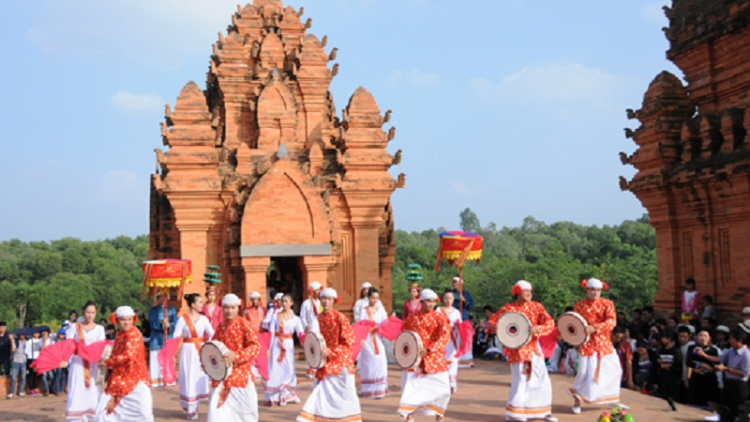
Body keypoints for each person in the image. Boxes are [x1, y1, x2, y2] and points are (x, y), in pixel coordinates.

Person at [486, 280, 558, 422]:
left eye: (530, 291)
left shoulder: (537, 307)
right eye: (525, 291)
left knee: (542, 378)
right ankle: (515, 412)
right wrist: (493, 327)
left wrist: (539, 329)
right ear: (517, 292)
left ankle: (542, 411)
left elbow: (550, 323)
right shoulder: (508, 308)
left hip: (534, 349)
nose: (528, 294)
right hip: (516, 350)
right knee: (520, 380)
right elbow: (492, 321)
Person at [297, 287, 362, 422]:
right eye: (323, 299)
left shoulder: (340, 318)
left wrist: (331, 351)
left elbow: (349, 342)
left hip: (342, 362)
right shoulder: (318, 318)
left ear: (334, 301)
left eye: (329, 299)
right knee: (320, 391)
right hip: (325, 362)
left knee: (347, 395)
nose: (326, 302)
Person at [566, 278, 624, 414]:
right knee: (584, 373)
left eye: (598, 290)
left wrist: (595, 327)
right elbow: (574, 323)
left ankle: (613, 399)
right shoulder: (580, 305)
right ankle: (577, 400)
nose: (595, 292)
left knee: (615, 370)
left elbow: (612, 321)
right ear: (587, 290)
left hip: (604, 343)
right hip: (587, 343)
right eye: (592, 290)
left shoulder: (607, 304)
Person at [397, 288, 452, 422]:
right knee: (410, 388)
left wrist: (430, 348)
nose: (431, 304)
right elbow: (404, 335)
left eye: (434, 302)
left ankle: (439, 416)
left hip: (435, 358)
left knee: (443, 389)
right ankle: (409, 417)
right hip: (415, 360)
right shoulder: (412, 318)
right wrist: (405, 352)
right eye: (428, 301)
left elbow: (445, 336)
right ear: (421, 301)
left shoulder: (440, 317)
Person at [206, 293, 261, 422]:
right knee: (216, 412)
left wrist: (236, 356)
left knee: (247, 410)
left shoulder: (245, 325)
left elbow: (255, 347)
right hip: (222, 374)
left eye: (232, 307)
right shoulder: (221, 327)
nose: (229, 310)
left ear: (238, 308)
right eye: (226, 307)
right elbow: (213, 346)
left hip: (240, 374)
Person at [94, 306, 153, 422]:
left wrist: (107, 362)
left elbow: (129, 355)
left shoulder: (134, 334)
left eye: (129, 319)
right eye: (123, 320)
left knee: (143, 412)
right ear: (117, 321)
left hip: (136, 378)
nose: (127, 323)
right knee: (108, 413)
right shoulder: (119, 334)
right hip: (119, 377)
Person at [172, 293, 214, 420]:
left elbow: (212, 333)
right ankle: (191, 408)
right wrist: (173, 353)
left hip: (201, 350)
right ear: (192, 304)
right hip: (188, 351)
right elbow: (176, 336)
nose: (202, 305)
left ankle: (196, 405)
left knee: (200, 376)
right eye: (200, 302)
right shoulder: (182, 319)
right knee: (188, 376)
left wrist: (209, 346)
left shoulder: (204, 319)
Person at [64, 301, 106, 421]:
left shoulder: (99, 329)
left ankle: (93, 414)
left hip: (93, 364)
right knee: (77, 387)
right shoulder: (75, 327)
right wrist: (65, 359)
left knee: (93, 388)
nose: (90, 315)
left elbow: (101, 346)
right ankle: (76, 416)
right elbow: (68, 345)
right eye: (88, 312)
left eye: (93, 312)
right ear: (83, 312)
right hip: (78, 363)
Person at [700, 328, 750, 418]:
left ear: (739, 341)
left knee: (738, 411)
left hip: (739, 386)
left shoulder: (746, 354)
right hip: (728, 383)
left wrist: (726, 369)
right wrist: (705, 355)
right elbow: (720, 358)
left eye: (732, 339)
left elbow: (744, 373)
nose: (729, 341)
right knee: (726, 410)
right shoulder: (731, 350)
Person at [265, 294, 304, 406]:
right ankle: (275, 396)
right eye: (282, 301)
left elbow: (300, 333)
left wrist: (305, 344)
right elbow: (271, 333)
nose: (284, 303)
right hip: (277, 345)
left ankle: (287, 394)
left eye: (286, 301)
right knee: (275, 369)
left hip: (289, 345)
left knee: (289, 368)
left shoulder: (296, 319)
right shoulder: (275, 316)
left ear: (292, 303)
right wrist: (268, 348)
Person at [358, 287, 389, 399]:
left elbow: (385, 322)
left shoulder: (380, 310)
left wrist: (382, 327)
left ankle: (380, 389)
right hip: (367, 340)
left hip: (378, 338)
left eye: (376, 298)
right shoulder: (364, 310)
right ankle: (368, 389)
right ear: (368, 297)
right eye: (372, 297)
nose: (374, 300)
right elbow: (361, 324)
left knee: (380, 361)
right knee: (369, 364)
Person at [148, 292, 177, 387]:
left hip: (168, 337)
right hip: (157, 339)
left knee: (168, 359)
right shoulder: (153, 310)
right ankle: (156, 381)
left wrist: (169, 325)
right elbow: (152, 324)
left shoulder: (172, 310)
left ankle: (168, 379)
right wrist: (161, 323)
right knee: (156, 359)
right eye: (160, 297)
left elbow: (175, 323)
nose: (162, 299)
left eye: (164, 297)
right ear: (157, 298)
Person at [685, 329, 720, 407]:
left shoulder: (713, 350)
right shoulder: (692, 348)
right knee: (694, 401)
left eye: (705, 336)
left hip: (708, 379)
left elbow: (715, 364)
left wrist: (706, 365)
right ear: (697, 337)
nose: (703, 338)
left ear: (709, 338)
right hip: (696, 377)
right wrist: (701, 365)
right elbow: (688, 362)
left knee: (708, 401)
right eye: (701, 335)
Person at [439, 290, 461, 394]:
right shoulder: (439, 310)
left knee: (453, 357)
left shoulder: (456, 312)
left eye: (450, 298)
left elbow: (460, 325)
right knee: (442, 358)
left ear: (453, 299)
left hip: (453, 337)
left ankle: (452, 381)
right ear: (443, 299)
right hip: (441, 337)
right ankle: (442, 381)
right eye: (446, 298)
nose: (448, 300)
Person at [657, 330, 681, 411]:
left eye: (663, 338)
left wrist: (669, 366)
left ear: (669, 339)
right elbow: (658, 360)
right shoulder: (661, 349)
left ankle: (673, 405)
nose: (662, 340)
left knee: (672, 391)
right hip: (664, 375)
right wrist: (661, 365)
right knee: (664, 391)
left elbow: (678, 363)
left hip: (673, 375)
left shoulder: (676, 350)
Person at [612, 326, 635, 391]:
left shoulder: (626, 345)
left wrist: (630, 379)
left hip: (621, 377)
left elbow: (629, 361)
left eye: (620, 338)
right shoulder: (606, 343)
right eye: (616, 337)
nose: (618, 340)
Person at [8, 331, 27, 399]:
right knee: (13, 377)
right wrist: (12, 340)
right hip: (16, 361)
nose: (22, 336)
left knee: (23, 377)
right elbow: (13, 349)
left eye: (23, 334)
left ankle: (20, 391)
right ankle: (11, 392)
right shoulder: (16, 341)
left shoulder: (27, 342)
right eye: (21, 335)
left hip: (23, 361)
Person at [25, 328, 43, 395]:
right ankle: (31, 388)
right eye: (35, 333)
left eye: (38, 333)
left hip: (39, 359)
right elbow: (27, 351)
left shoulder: (41, 341)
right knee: (31, 374)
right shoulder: (29, 341)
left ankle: (35, 387)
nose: (37, 334)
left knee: (38, 374)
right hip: (31, 358)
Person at [52, 328, 68, 396]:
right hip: (58, 360)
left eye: (63, 334)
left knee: (64, 375)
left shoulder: (66, 342)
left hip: (64, 360)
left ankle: (62, 389)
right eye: (61, 334)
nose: (62, 335)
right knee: (58, 374)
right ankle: (57, 389)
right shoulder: (56, 341)